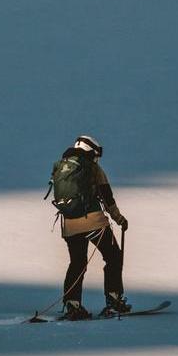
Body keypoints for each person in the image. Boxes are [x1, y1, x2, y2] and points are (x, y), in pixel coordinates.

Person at [49, 134, 130, 320]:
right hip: (94, 222)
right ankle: (114, 300)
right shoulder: (94, 168)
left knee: (77, 263)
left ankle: (72, 304)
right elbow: (107, 198)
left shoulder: (62, 166)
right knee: (113, 257)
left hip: (69, 224)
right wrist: (119, 219)